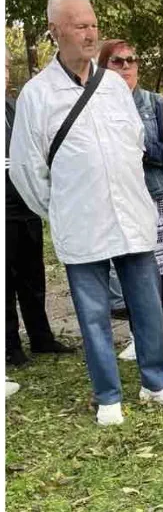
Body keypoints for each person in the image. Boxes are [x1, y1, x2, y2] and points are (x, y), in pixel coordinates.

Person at [10, 0, 163, 424]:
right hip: (81, 221)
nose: (90, 34)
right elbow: (27, 169)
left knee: (147, 304)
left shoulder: (111, 85)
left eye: (93, 25)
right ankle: (108, 395)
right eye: (79, 26)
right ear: (55, 31)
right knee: (93, 314)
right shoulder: (37, 94)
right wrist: (61, 207)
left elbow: (135, 142)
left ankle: (155, 382)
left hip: (131, 212)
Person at [99, 39, 163, 363]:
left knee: (162, 268)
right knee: (129, 269)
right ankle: (140, 335)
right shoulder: (98, 106)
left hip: (155, 194)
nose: (126, 66)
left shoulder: (155, 103)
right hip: (119, 198)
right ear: (103, 68)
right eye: (117, 61)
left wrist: (143, 149)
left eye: (131, 60)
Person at [7, 95, 77, 368]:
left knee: (33, 277)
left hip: (27, 207)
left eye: (6, 72)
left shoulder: (15, 107)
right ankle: (9, 346)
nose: (4, 76)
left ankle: (41, 337)